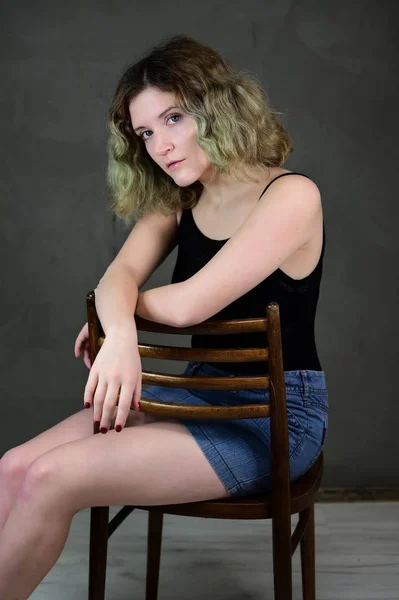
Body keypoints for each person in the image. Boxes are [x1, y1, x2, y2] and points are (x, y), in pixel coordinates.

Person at [0, 34, 328, 598]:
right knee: (12, 467)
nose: (161, 145)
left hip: (273, 416)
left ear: (217, 108)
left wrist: (121, 310)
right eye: (146, 132)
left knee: (54, 478)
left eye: (173, 118)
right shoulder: (178, 197)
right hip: (199, 393)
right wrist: (121, 329)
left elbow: (189, 302)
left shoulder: (293, 197)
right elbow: (114, 279)